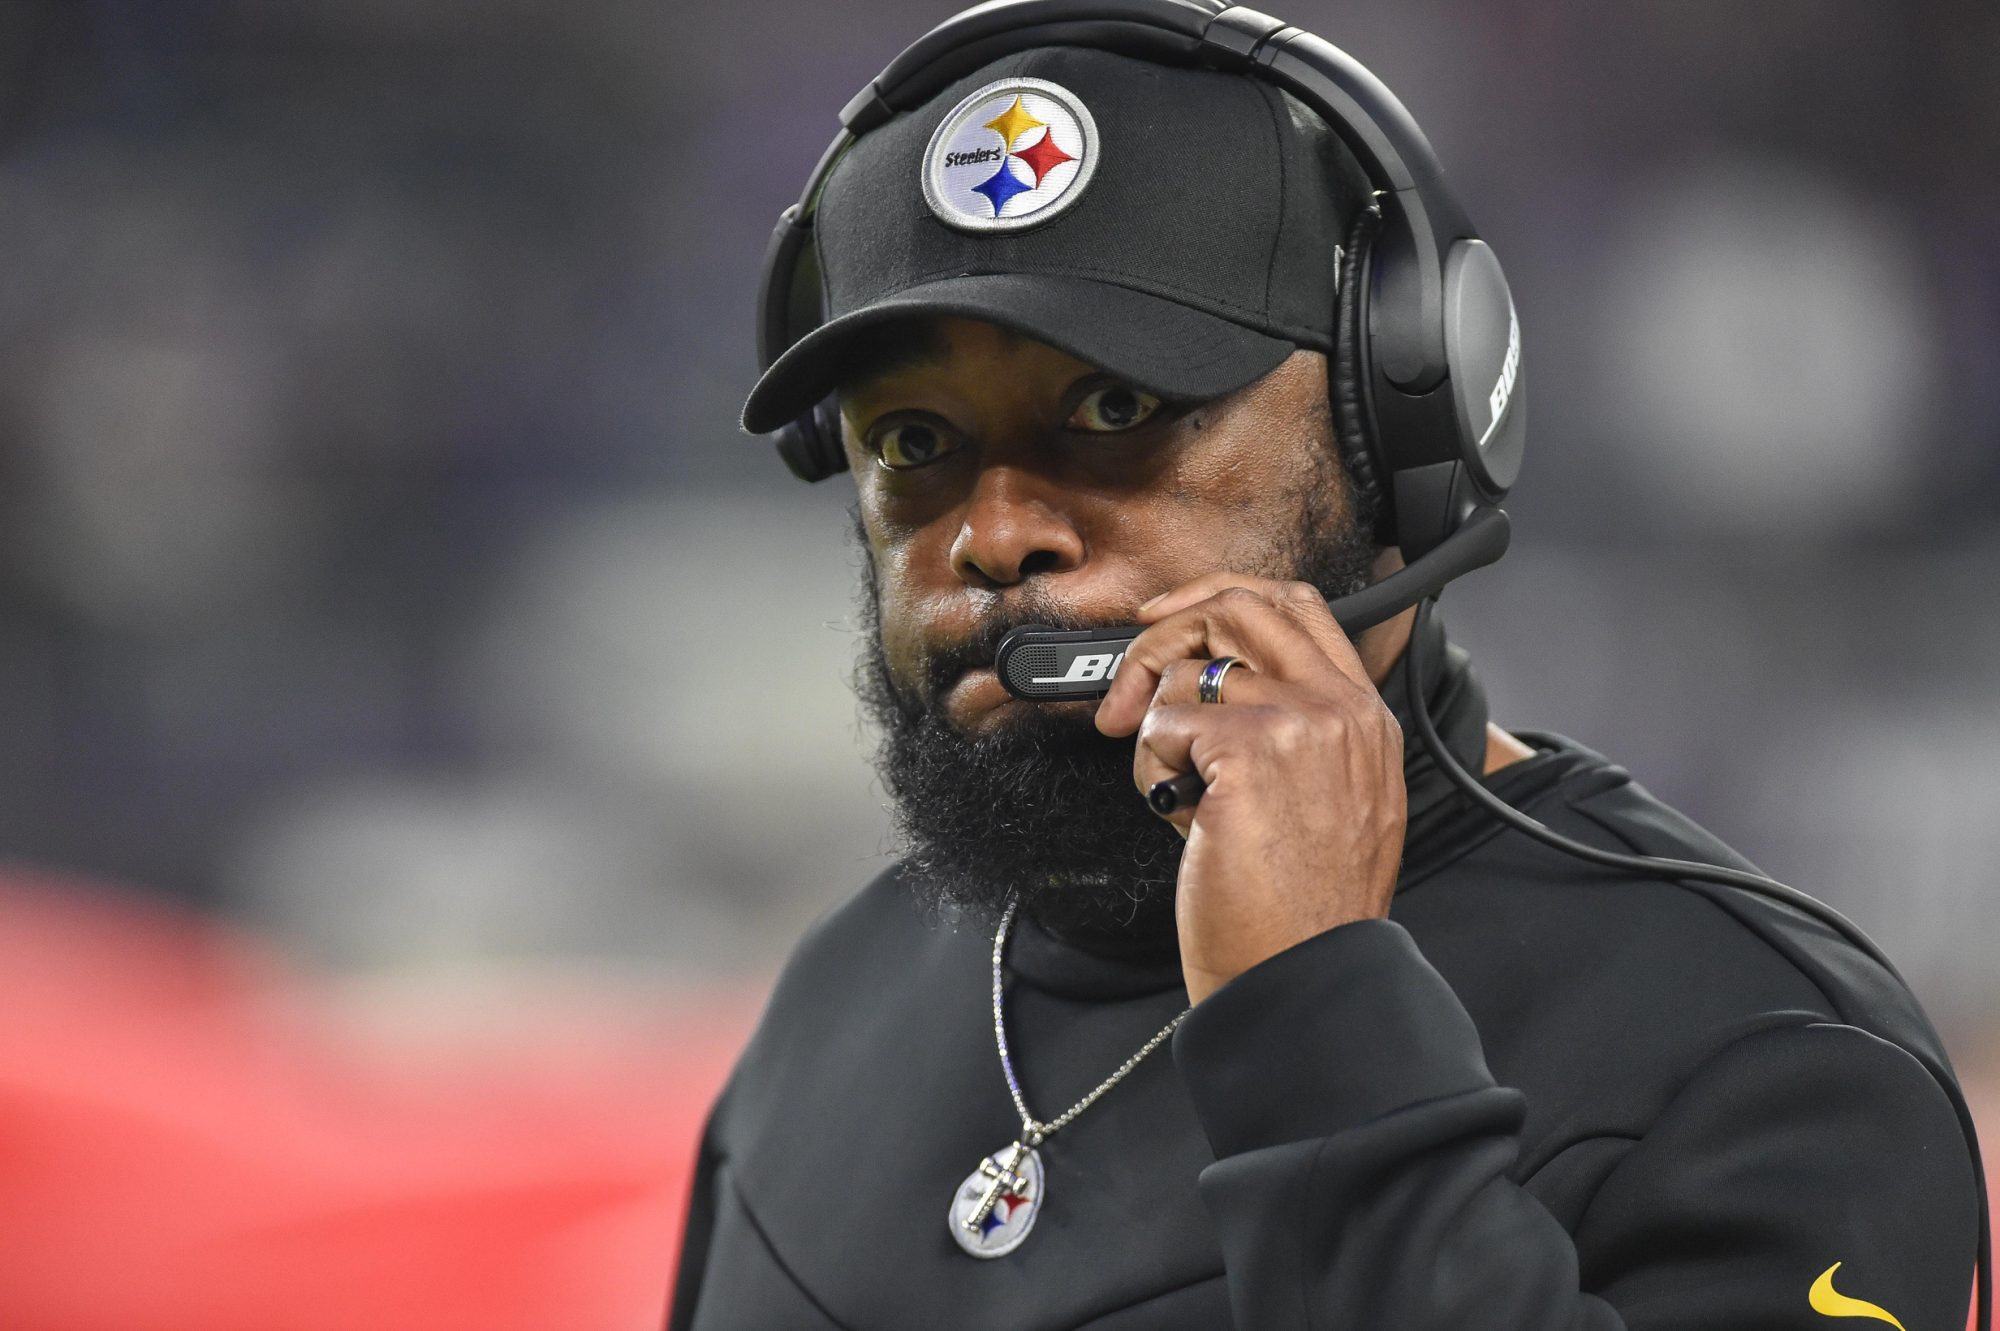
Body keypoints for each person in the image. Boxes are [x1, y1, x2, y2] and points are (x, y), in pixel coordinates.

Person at [668, 12, 1985, 1330]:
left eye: (1117, 409)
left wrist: (1317, 1012)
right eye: (914, 438)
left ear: (1403, 422)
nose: (998, 531)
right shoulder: (837, 997)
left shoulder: (1764, 1065)